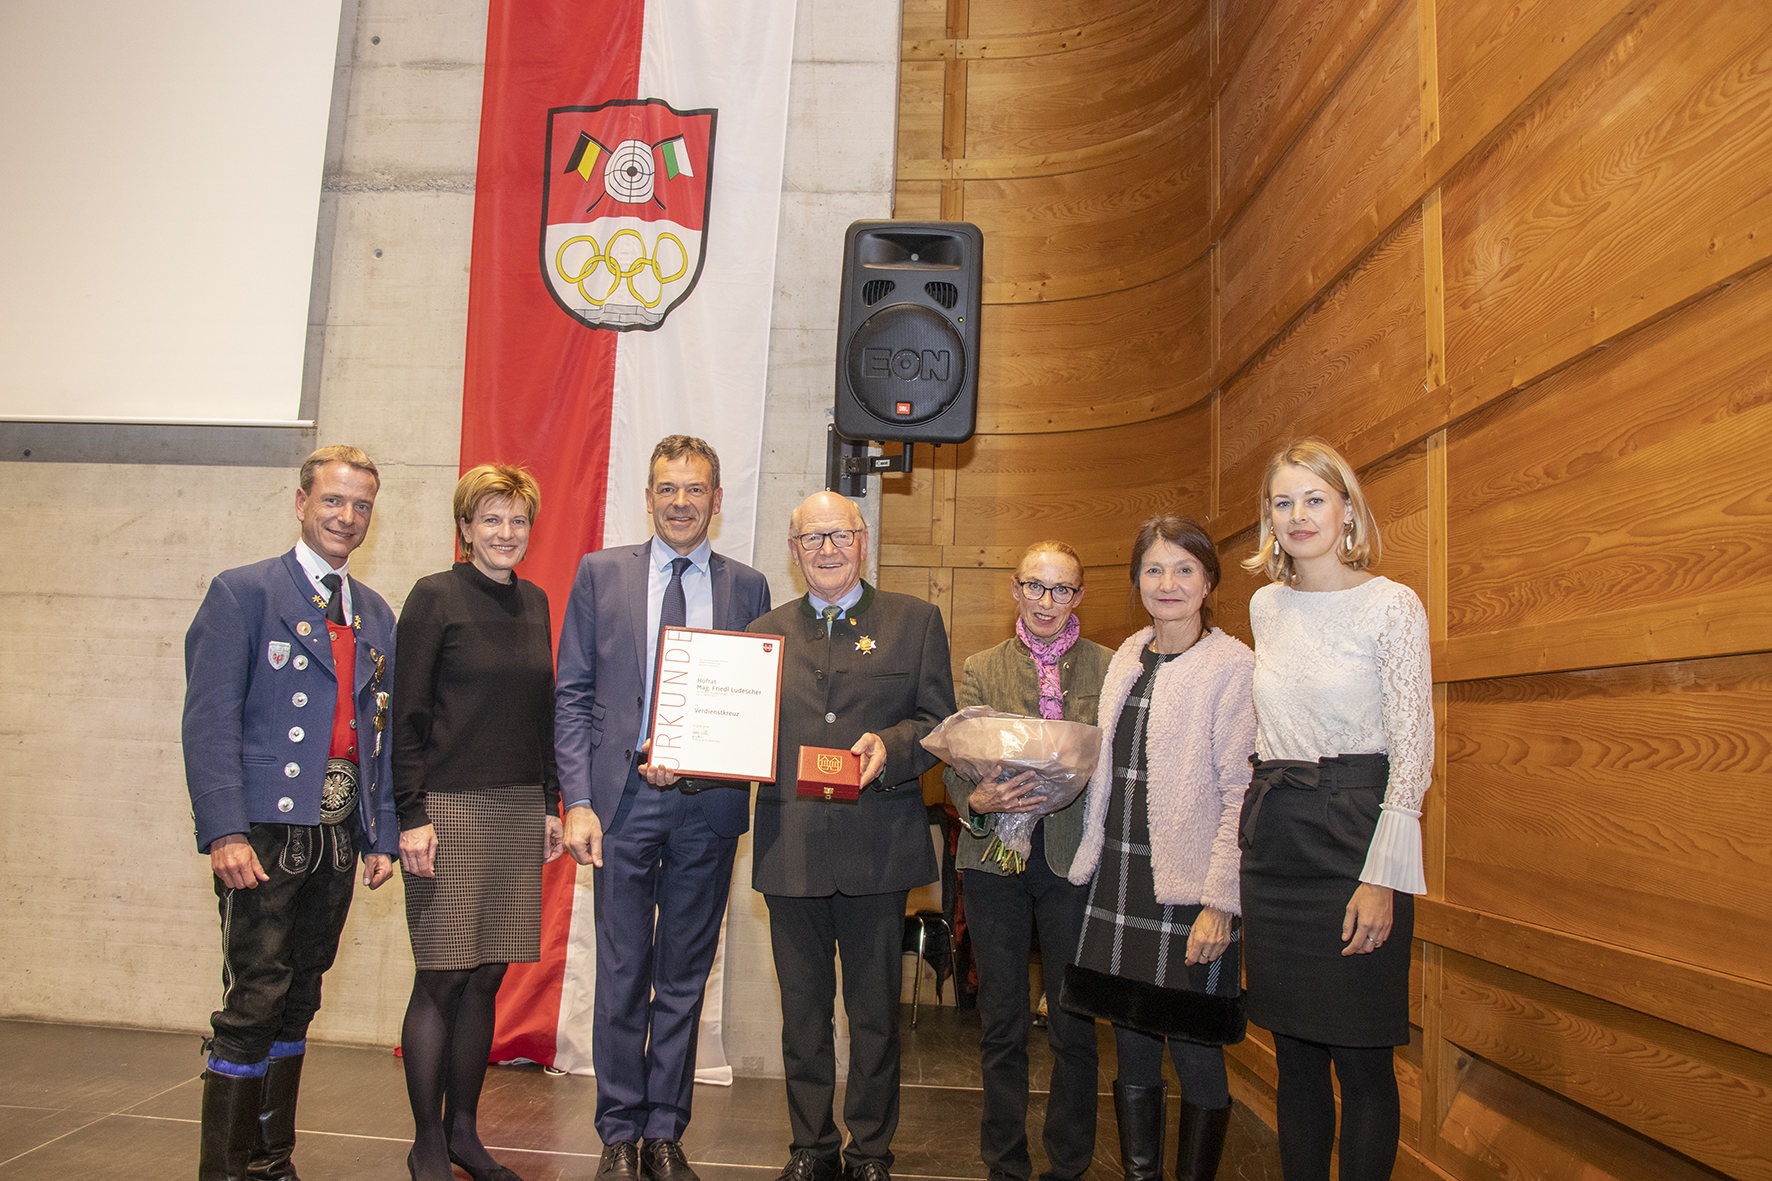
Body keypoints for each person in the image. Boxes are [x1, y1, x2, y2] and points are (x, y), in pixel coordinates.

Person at [556, 436, 772, 1181]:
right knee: (621, 971)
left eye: (696, 489)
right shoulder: (600, 573)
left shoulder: (749, 586)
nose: (682, 501)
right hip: (620, 805)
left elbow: (756, 699)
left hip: (707, 808)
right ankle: (618, 1131)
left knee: (684, 974)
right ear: (648, 498)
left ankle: (664, 1130)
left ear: (717, 499)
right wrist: (578, 799)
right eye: (668, 489)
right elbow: (574, 694)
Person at [181, 444, 398, 1181]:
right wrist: (224, 830)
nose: (346, 516)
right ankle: (225, 1169)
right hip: (264, 833)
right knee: (254, 998)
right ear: (301, 502)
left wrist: (380, 834)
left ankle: (272, 1160)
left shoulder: (374, 611)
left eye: (360, 504)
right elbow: (208, 722)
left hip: (337, 835)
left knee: (300, 997)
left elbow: (380, 734)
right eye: (333, 500)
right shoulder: (242, 593)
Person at [1237, 438, 1432, 1181]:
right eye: (1283, 502)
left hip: (1359, 830)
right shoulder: (1266, 604)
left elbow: (1413, 754)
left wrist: (1382, 876)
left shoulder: (1391, 604)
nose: (1298, 515)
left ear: (1347, 508)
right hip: (1278, 836)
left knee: (1362, 1057)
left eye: (1314, 498)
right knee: (1294, 1057)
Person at [748, 491, 957, 1181]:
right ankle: (811, 1148)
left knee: (874, 1019)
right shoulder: (761, 632)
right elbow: (737, 733)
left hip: (877, 848)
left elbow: (938, 721)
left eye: (840, 535)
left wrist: (893, 747)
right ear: (794, 547)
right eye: (812, 538)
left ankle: (870, 1152)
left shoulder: (914, 621)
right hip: (792, 850)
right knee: (802, 1021)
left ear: (863, 541)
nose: (827, 549)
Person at [1063, 515, 1255, 1181]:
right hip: (1120, 876)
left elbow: (1240, 790)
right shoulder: (1126, 656)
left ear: (1208, 582)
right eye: (1153, 568)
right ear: (1137, 579)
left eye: (1184, 569)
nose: (1167, 582)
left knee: (1199, 1051)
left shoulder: (1233, 666)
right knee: (1133, 1045)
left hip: (1188, 887)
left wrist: (1220, 902)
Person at [393, 464, 565, 1181]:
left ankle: (465, 1131)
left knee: (488, 973)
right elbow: (405, 716)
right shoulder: (435, 596)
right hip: (447, 809)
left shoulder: (536, 600)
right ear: (465, 529)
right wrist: (409, 814)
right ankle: (426, 1140)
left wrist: (552, 800)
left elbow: (543, 711)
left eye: (517, 520)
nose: (505, 533)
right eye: (490, 519)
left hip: (517, 806)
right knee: (441, 975)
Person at [942, 542, 1110, 1181]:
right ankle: (1004, 1165)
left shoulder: (1108, 667)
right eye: (1035, 587)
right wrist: (977, 800)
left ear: (1079, 597)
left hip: (1074, 862)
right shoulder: (982, 669)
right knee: (1003, 1022)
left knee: (1073, 1023)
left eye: (1061, 589)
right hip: (995, 863)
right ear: (1014, 590)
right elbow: (959, 762)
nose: (1047, 601)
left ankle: (1068, 1166)